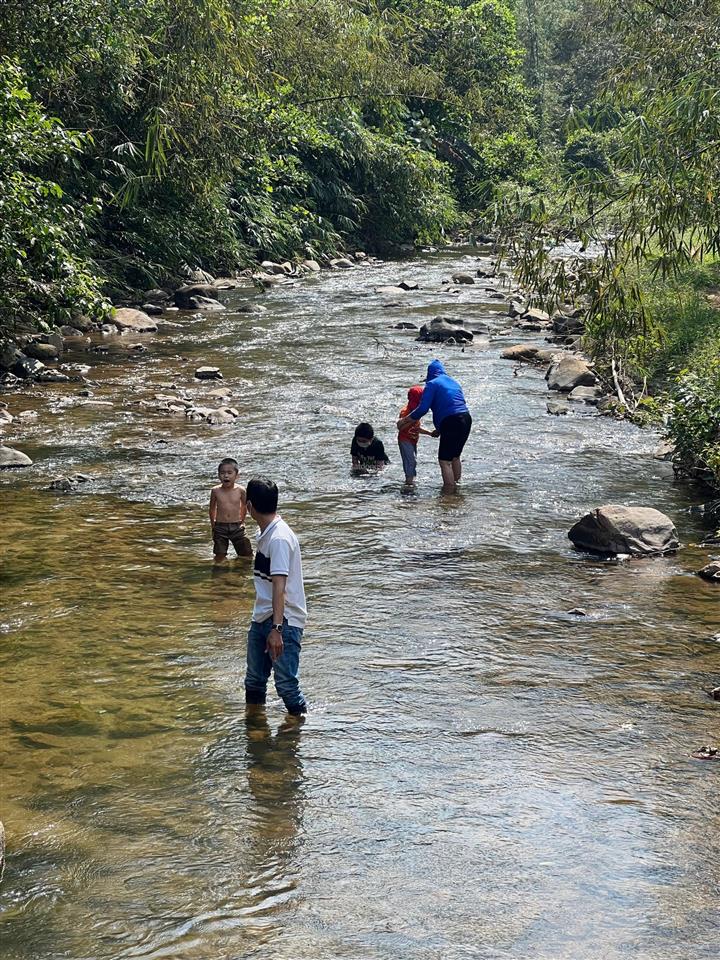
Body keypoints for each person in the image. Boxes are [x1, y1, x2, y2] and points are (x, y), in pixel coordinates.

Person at [244, 477, 307, 716]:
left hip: (283, 622)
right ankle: (254, 736)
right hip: (262, 617)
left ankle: (297, 733)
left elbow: (279, 586)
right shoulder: (266, 533)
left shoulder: (279, 538)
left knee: (287, 687)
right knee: (254, 682)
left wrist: (277, 629)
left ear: (249, 506)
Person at [396, 359, 472, 493]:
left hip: (451, 421)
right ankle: (457, 488)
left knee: (445, 461)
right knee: (455, 457)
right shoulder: (453, 382)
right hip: (465, 418)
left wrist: (404, 420)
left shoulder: (432, 384)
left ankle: (449, 494)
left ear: (430, 374)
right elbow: (452, 404)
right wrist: (440, 429)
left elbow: (423, 409)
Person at [209, 457, 252, 561]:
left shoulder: (241, 490)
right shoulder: (215, 491)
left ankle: (241, 573)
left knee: (246, 554)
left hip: (237, 526)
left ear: (237, 475)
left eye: (229, 472)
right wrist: (213, 525)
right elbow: (212, 509)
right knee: (219, 554)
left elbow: (245, 506)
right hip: (220, 526)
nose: (226, 475)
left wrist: (242, 520)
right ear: (218, 475)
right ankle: (220, 574)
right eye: (222, 473)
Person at [397, 385, 435, 484]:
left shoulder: (417, 411)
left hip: (413, 440)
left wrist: (429, 433)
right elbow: (400, 428)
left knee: (413, 462)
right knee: (411, 461)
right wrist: (411, 420)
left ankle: (411, 481)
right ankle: (409, 482)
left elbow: (417, 428)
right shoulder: (405, 412)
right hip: (404, 440)